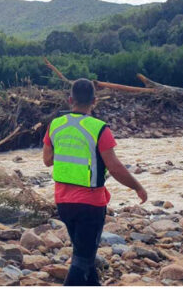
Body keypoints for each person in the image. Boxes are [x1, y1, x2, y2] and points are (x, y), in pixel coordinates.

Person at [42, 78, 148, 286]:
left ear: (69, 99)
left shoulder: (55, 125)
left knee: (86, 258)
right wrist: (138, 187)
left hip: (63, 203)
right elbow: (115, 167)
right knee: (81, 261)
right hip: (90, 205)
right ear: (95, 101)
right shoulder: (99, 129)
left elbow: (47, 160)